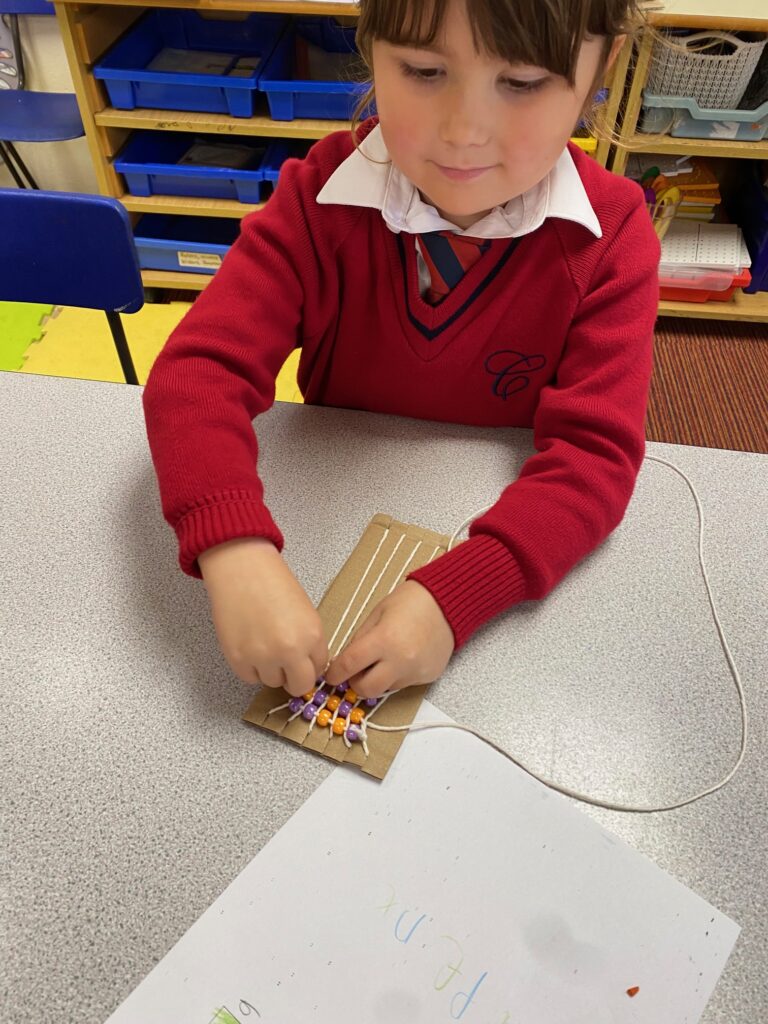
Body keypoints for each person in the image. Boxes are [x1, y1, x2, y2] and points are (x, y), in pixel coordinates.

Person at [143, 0, 660, 702]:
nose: (464, 132)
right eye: (423, 69)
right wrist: (233, 547)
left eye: (524, 82)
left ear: (606, 65)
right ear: (371, 46)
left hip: (499, 568)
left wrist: (460, 594)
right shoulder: (316, 204)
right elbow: (197, 376)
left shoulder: (613, 237)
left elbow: (594, 459)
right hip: (326, 509)